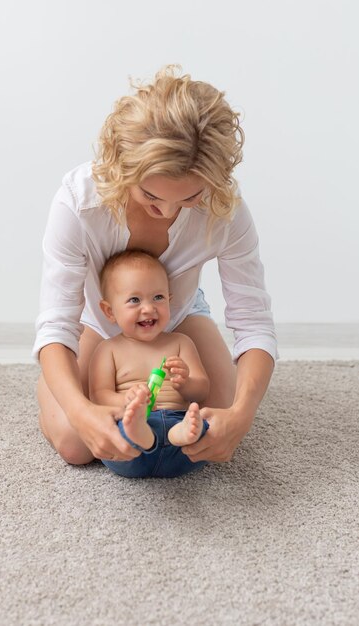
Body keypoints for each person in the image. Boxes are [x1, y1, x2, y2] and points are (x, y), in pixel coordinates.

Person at [34, 64, 277, 467]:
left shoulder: (225, 211)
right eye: (151, 195)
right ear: (122, 165)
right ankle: (52, 391)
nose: (166, 213)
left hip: (180, 315)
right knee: (77, 445)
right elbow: (56, 322)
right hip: (98, 320)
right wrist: (79, 411)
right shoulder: (79, 204)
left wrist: (241, 416)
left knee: (218, 430)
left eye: (188, 199)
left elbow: (253, 323)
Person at [90, 249, 210, 478]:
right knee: (119, 433)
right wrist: (128, 401)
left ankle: (178, 435)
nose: (148, 308)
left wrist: (185, 383)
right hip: (132, 434)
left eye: (158, 297)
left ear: (170, 301)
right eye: (134, 300)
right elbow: (98, 396)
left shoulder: (180, 343)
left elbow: (202, 390)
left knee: (205, 427)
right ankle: (144, 434)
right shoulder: (108, 349)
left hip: (178, 420)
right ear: (109, 311)